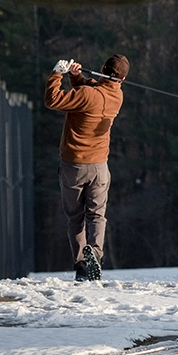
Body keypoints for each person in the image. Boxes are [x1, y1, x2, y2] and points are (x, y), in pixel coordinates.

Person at [44, 54, 130, 281]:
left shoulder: (87, 95)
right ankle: (97, 255)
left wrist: (56, 74)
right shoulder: (117, 96)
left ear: (102, 68)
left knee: (75, 218)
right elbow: (95, 92)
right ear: (121, 80)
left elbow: (52, 100)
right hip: (99, 167)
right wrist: (76, 77)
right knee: (97, 216)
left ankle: (82, 265)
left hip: (74, 166)